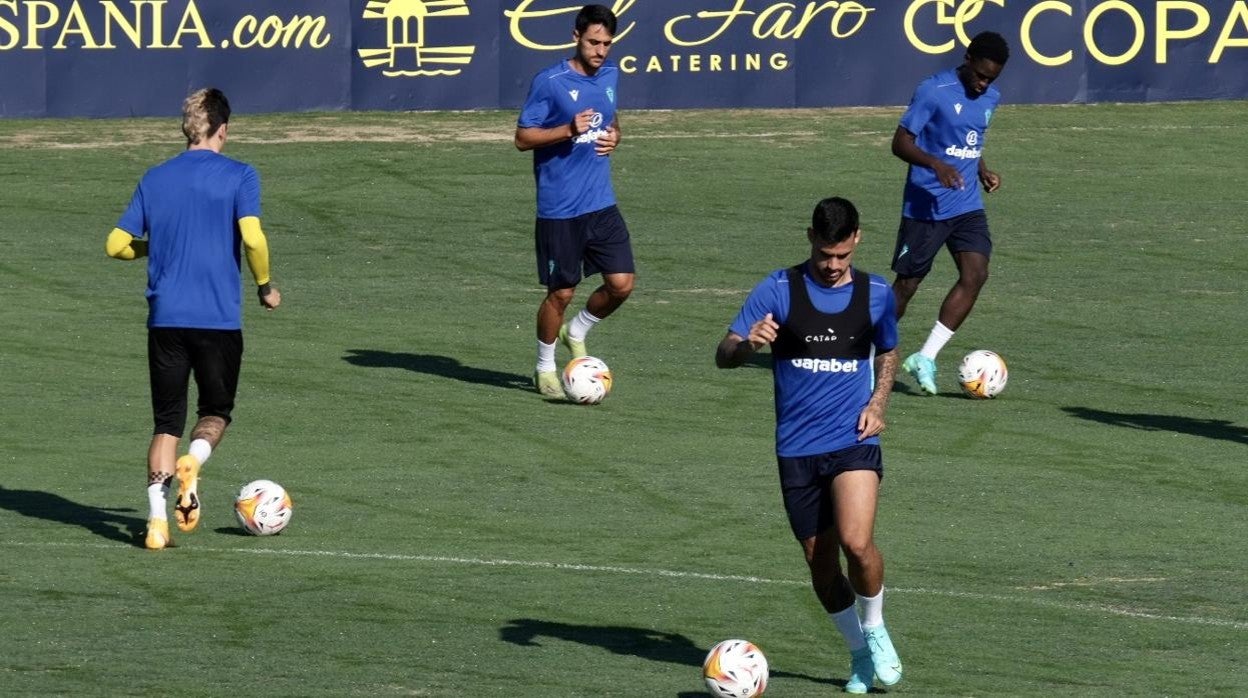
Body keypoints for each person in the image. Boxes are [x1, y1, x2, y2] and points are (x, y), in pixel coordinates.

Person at [715, 197, 902, 694]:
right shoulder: (778, 288)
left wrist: (879, 403)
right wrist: (748, 345)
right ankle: (859, 656)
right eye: (825, 255)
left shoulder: (876, 293)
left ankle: (877, 629)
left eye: (841, 256)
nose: (833, 266)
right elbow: (723, 353)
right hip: (797, 448)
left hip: (851, 440)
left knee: (857, 543)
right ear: (810, 239)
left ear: (857, 239)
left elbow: (887, 349)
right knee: (820, 564)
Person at [106, 87, 281, 550]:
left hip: (165, 321)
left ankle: (158, 521)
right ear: (223, 130)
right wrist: (265, 286)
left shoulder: (155, 177)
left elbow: (115, 245)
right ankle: (195, 462)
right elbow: (253, 238)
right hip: (217, 320)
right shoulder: (240, 175)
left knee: (166, 423)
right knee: (215, 413)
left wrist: (153, 245)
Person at [514, 4, 634, 397]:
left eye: (606, 43)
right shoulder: (549, 82)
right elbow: (522, 138)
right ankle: (544, 367)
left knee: (621, 284)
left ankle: (578, 330)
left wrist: (616, 136)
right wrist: (567, 128)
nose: (600, 50)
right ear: (576, 37)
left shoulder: (612, 75)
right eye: (593, 42)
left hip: (600, 202)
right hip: (559, 210)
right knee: (561, 293)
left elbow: (611, 119)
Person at [890, 31, 1010, 394]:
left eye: (992, 78)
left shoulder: (991, 97)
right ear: (968, 58)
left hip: (967, 204)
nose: (984, 83)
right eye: (981, 74)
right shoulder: (933, 91)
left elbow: (969, 140)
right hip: (926, 204)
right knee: (908, 285)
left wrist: (982, 169)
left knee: (976, 273)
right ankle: (866, 355)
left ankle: (925, 357)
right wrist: (934, 164)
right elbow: (900, 143)